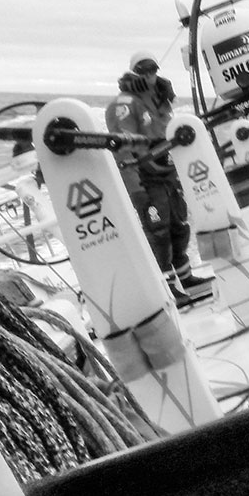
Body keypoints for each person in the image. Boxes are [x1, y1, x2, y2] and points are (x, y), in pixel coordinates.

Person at [105, 51, 214, 308]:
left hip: (168, 174)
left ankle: (185, 278)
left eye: (153, 69)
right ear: (134, 73)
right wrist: (136, 189)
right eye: (143, 70)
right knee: (158, 231)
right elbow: (122, 148)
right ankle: (166, 287)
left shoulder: (161, 98)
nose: (150, 75)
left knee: (179, 224)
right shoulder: (124, 105)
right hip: (145, 178)